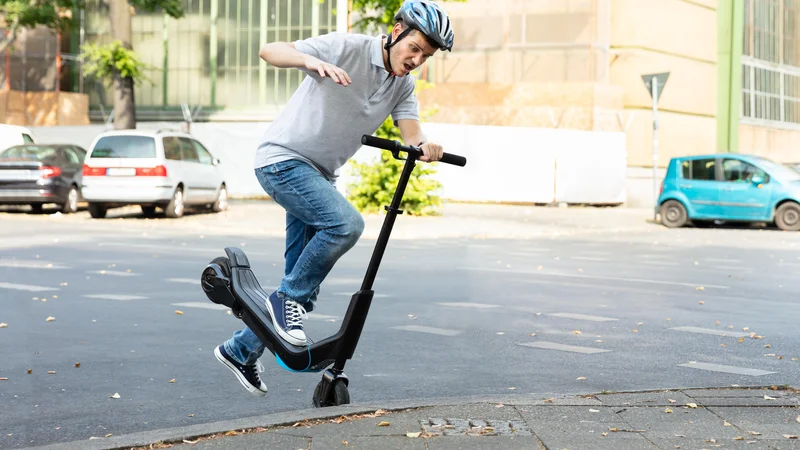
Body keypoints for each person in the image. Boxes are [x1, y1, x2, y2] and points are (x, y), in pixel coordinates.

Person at [214, 0, 455, 397]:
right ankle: (283, 300)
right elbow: (269, 50)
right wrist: (309, 63)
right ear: (396, 31)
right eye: (414, 48)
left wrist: (426, 148)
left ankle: (240, 350)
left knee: (302, 292)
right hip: (283, 161)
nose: (416, 60)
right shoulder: (347, 46)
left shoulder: (402, 85)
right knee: (345, 225)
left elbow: (413, 135)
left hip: (319, 176)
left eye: (425, 56)